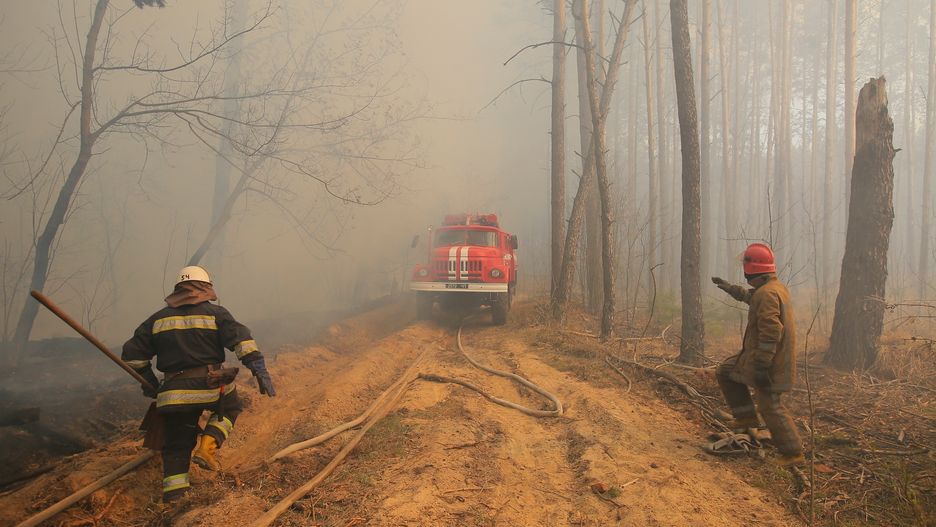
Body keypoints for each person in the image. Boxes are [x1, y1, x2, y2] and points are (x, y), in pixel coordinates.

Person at [121, 266, 276, 502]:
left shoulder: (157, 319)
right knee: (230, 407)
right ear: (205, 288)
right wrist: (257, 367)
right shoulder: (216, 314)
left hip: (173, 394)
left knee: (176, 447)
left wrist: (150, 383)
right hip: (210, 387)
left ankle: (175, 499)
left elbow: (132, 356)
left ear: (178, 290)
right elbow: (242, 341)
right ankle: (208, 444)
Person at [710, 243, 803, 466]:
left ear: (752, 270)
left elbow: (772, 332)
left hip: (771, 362)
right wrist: (730, 288)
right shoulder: (771, 289)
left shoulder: (768, 294)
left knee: (770, 406)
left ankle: (793, 453)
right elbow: (752, 298)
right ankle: (746, 417)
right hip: (761, 357)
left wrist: (761, 366)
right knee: (726, 371)